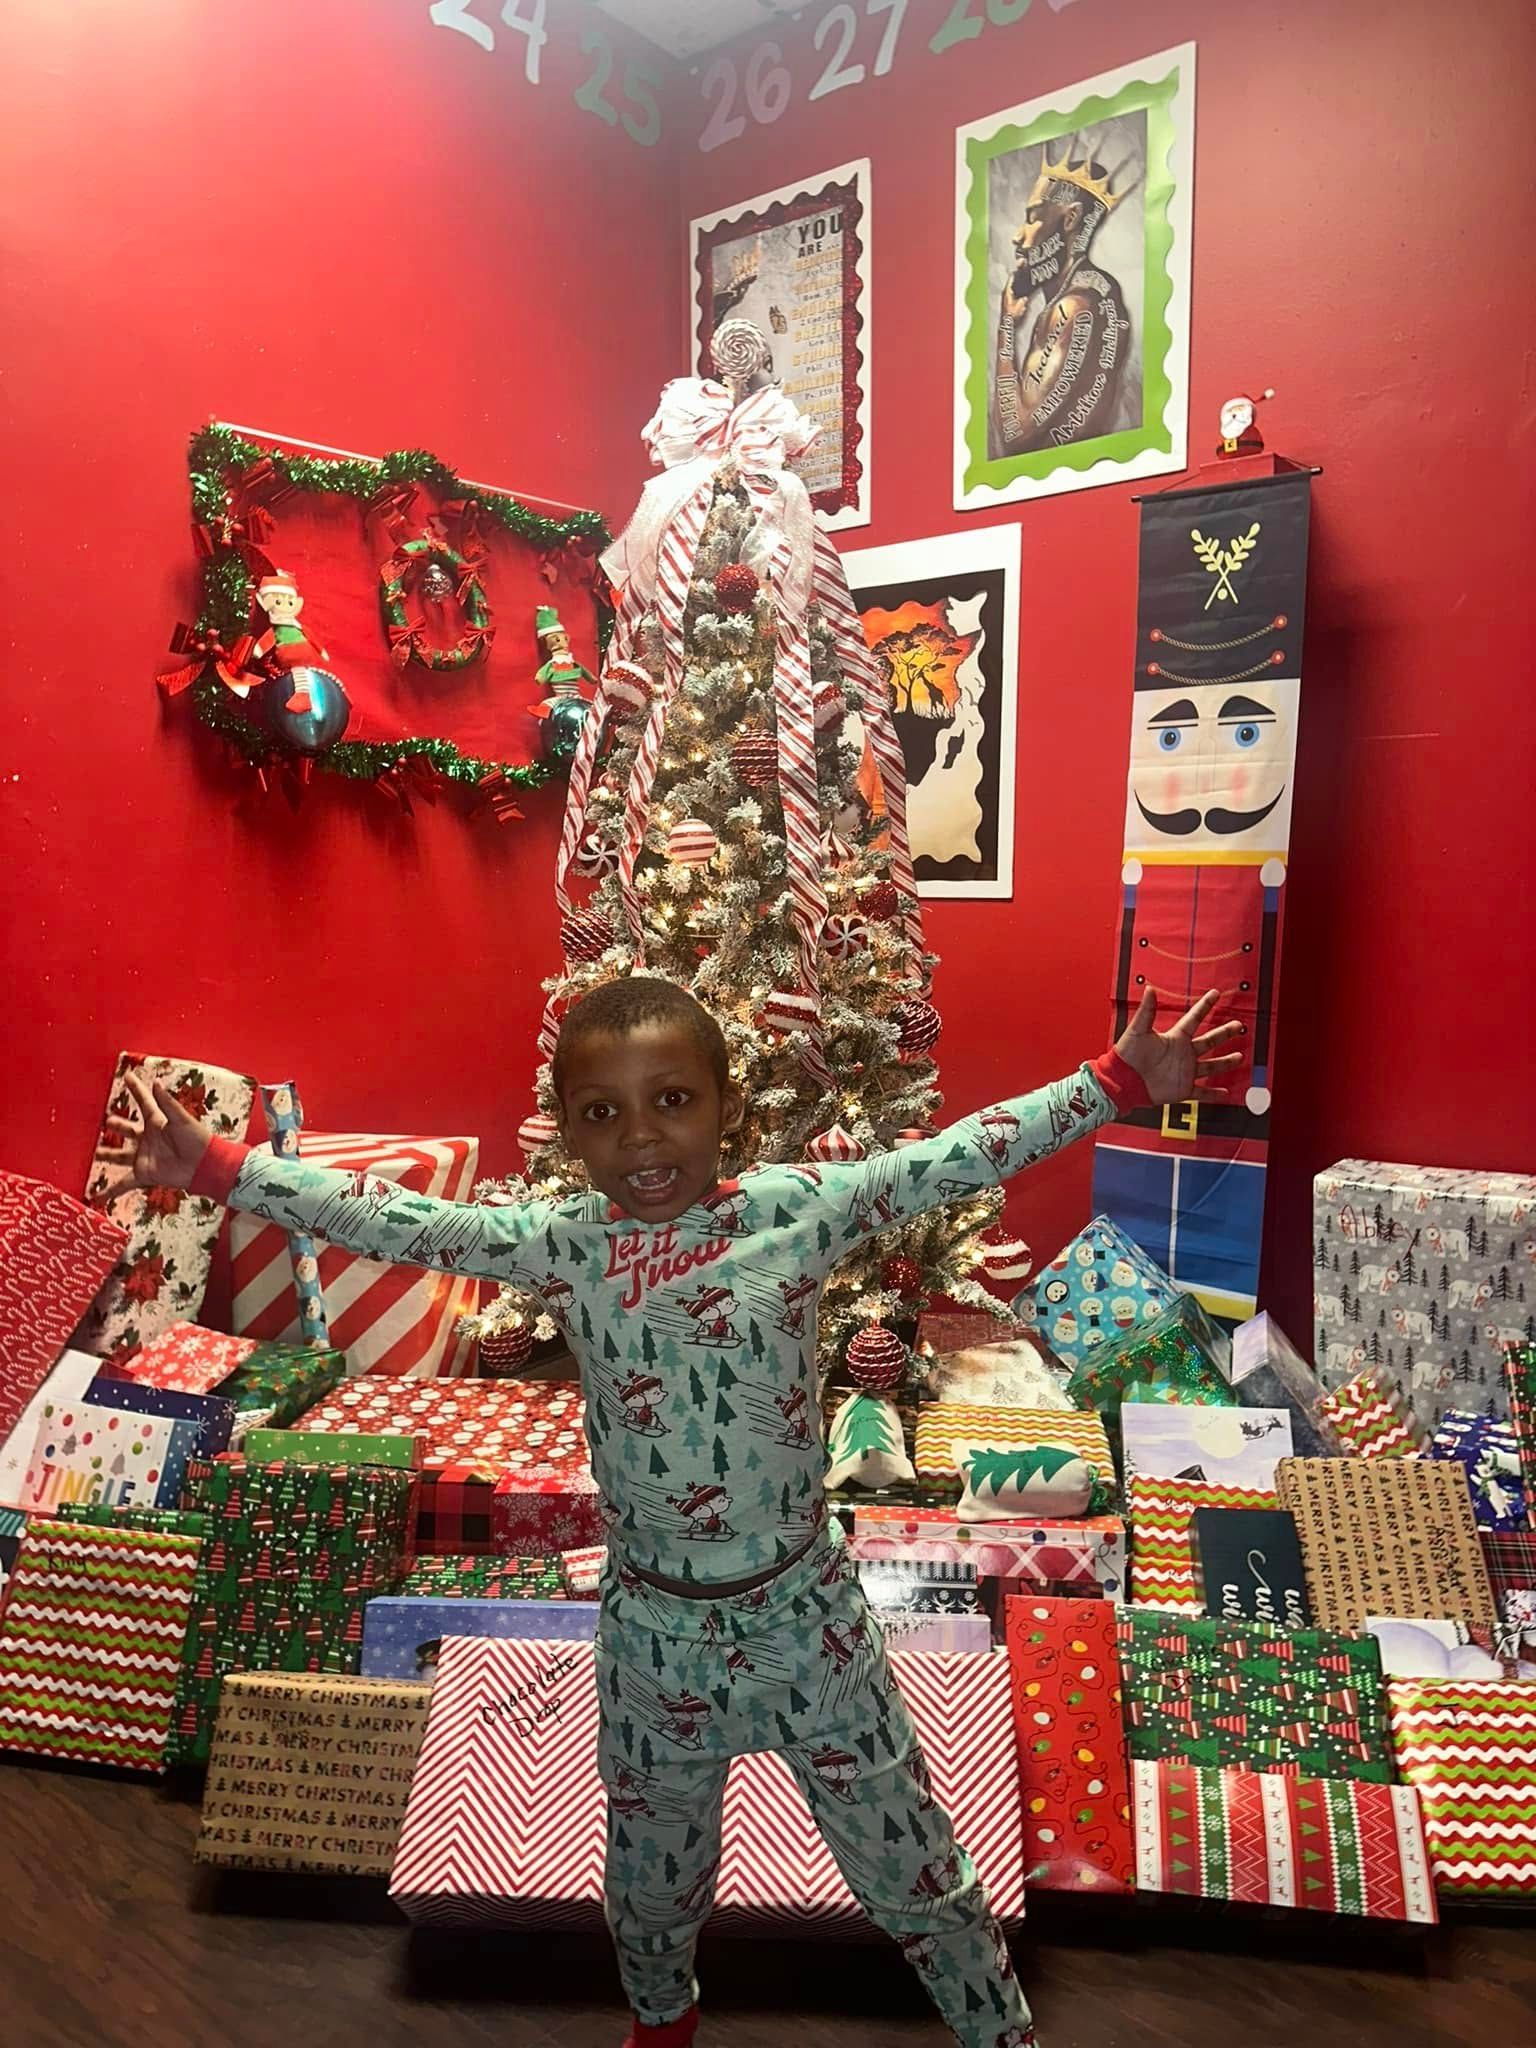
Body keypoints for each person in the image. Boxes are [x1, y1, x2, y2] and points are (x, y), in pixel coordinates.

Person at [99, 977, 1240, 2048]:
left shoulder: (800, 1208)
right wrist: (224, 1164)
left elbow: (951, 1158)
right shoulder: (564, 1242)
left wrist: (1112, 1081)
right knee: (649, 1885)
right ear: (568, 1134)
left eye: (673, 1101)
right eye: (604, 1113)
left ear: (726, 1108)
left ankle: (998, 2029)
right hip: (652, 1635)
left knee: (916, 1866)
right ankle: (661, 2026)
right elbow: (399, 1220)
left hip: (809, 1620)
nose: (642, 1137)